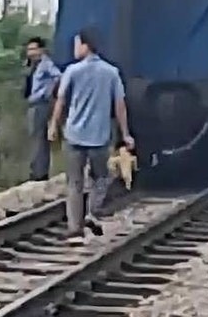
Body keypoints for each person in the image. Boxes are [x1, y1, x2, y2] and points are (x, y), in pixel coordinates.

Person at [48, 27, 134, 244]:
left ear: (85, 46)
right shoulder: (111, 72)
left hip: (74, 135)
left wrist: (53, 126)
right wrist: (125, 134)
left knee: (74, 183)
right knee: (102, 178)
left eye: (77, 44)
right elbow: (120, 105)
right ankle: (92, 213)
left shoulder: (72, 71)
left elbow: (61, 100)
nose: (75, 48)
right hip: (99, 136)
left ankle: (74, 229)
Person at [23, 36, 61, 181]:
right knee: (35, 137)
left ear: (41, 49)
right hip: (32, 104)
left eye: (33, 49)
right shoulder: (32, 65)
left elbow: (58, 76)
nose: (31, 52)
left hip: (41, 104)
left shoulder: (46, 64)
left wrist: (49, 91)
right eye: (29, 49)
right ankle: (36, 169)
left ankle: (40, 173)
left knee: (39, 138)